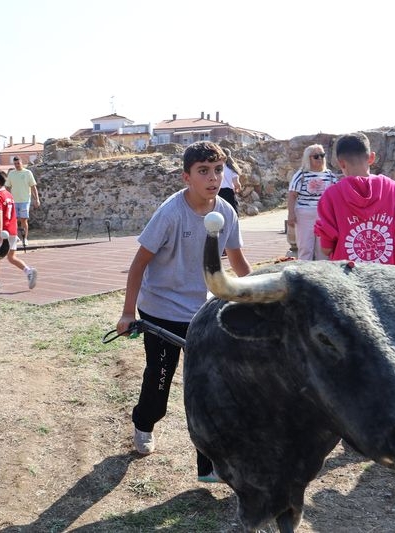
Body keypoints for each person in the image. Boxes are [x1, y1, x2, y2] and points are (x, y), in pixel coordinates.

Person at [116, 140, 252, 483]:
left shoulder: (226, 213)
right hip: (160, 309)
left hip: (202, 313)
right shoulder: (171, 213)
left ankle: (208, 466)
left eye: (217, 170)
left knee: (208, 388)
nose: (212, 177)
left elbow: (238, 263)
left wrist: (260, 297)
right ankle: (144, 423)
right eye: (203, 171)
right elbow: (138, 266)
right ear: (186, 177)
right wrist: (128, 312)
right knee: (160, 381)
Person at [314, 133, 395, 265]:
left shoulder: (330, 196)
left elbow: (326, 249)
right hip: (386, 278)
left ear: (341, 163)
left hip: (347, 278)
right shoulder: (394, 190)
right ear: (371, 158)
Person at [0, 170, 38, 292]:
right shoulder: (9, 195)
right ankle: (28, 271)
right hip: (12, 229)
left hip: (3, 231)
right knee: (11, 257)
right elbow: (12, 214)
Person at [287, 144, 337, 260]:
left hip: (324, 215)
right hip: (304, 215)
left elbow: (336, 195)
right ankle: (303, 274)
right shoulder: (301, 174)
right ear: (308, 158)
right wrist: (291, 214)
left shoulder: (329, 175)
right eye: (316, 156)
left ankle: (321, 274)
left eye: (322, 155)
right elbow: (292, 195)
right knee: (305, 247)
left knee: (323, 248)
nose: (320, 158)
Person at [6, 156, 40, 245]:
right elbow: (7, 187)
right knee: (14, 220)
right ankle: (15, 237)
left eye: (18, 163)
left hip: (25, 200)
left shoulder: (28, 173)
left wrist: (37, 199)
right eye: (15, 164)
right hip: (14, 201)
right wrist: (7, 198)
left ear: (21, 162)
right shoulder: (11, 173)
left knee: (23, 220)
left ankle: (25, 239)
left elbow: (33, 186)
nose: (17, 165)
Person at [219, 147, 242, 214]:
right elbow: (236, 184)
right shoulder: (232, 168)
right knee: (232, 212)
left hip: (217, 192)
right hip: (228, 192)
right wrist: (237, 189)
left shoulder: (216, 167)